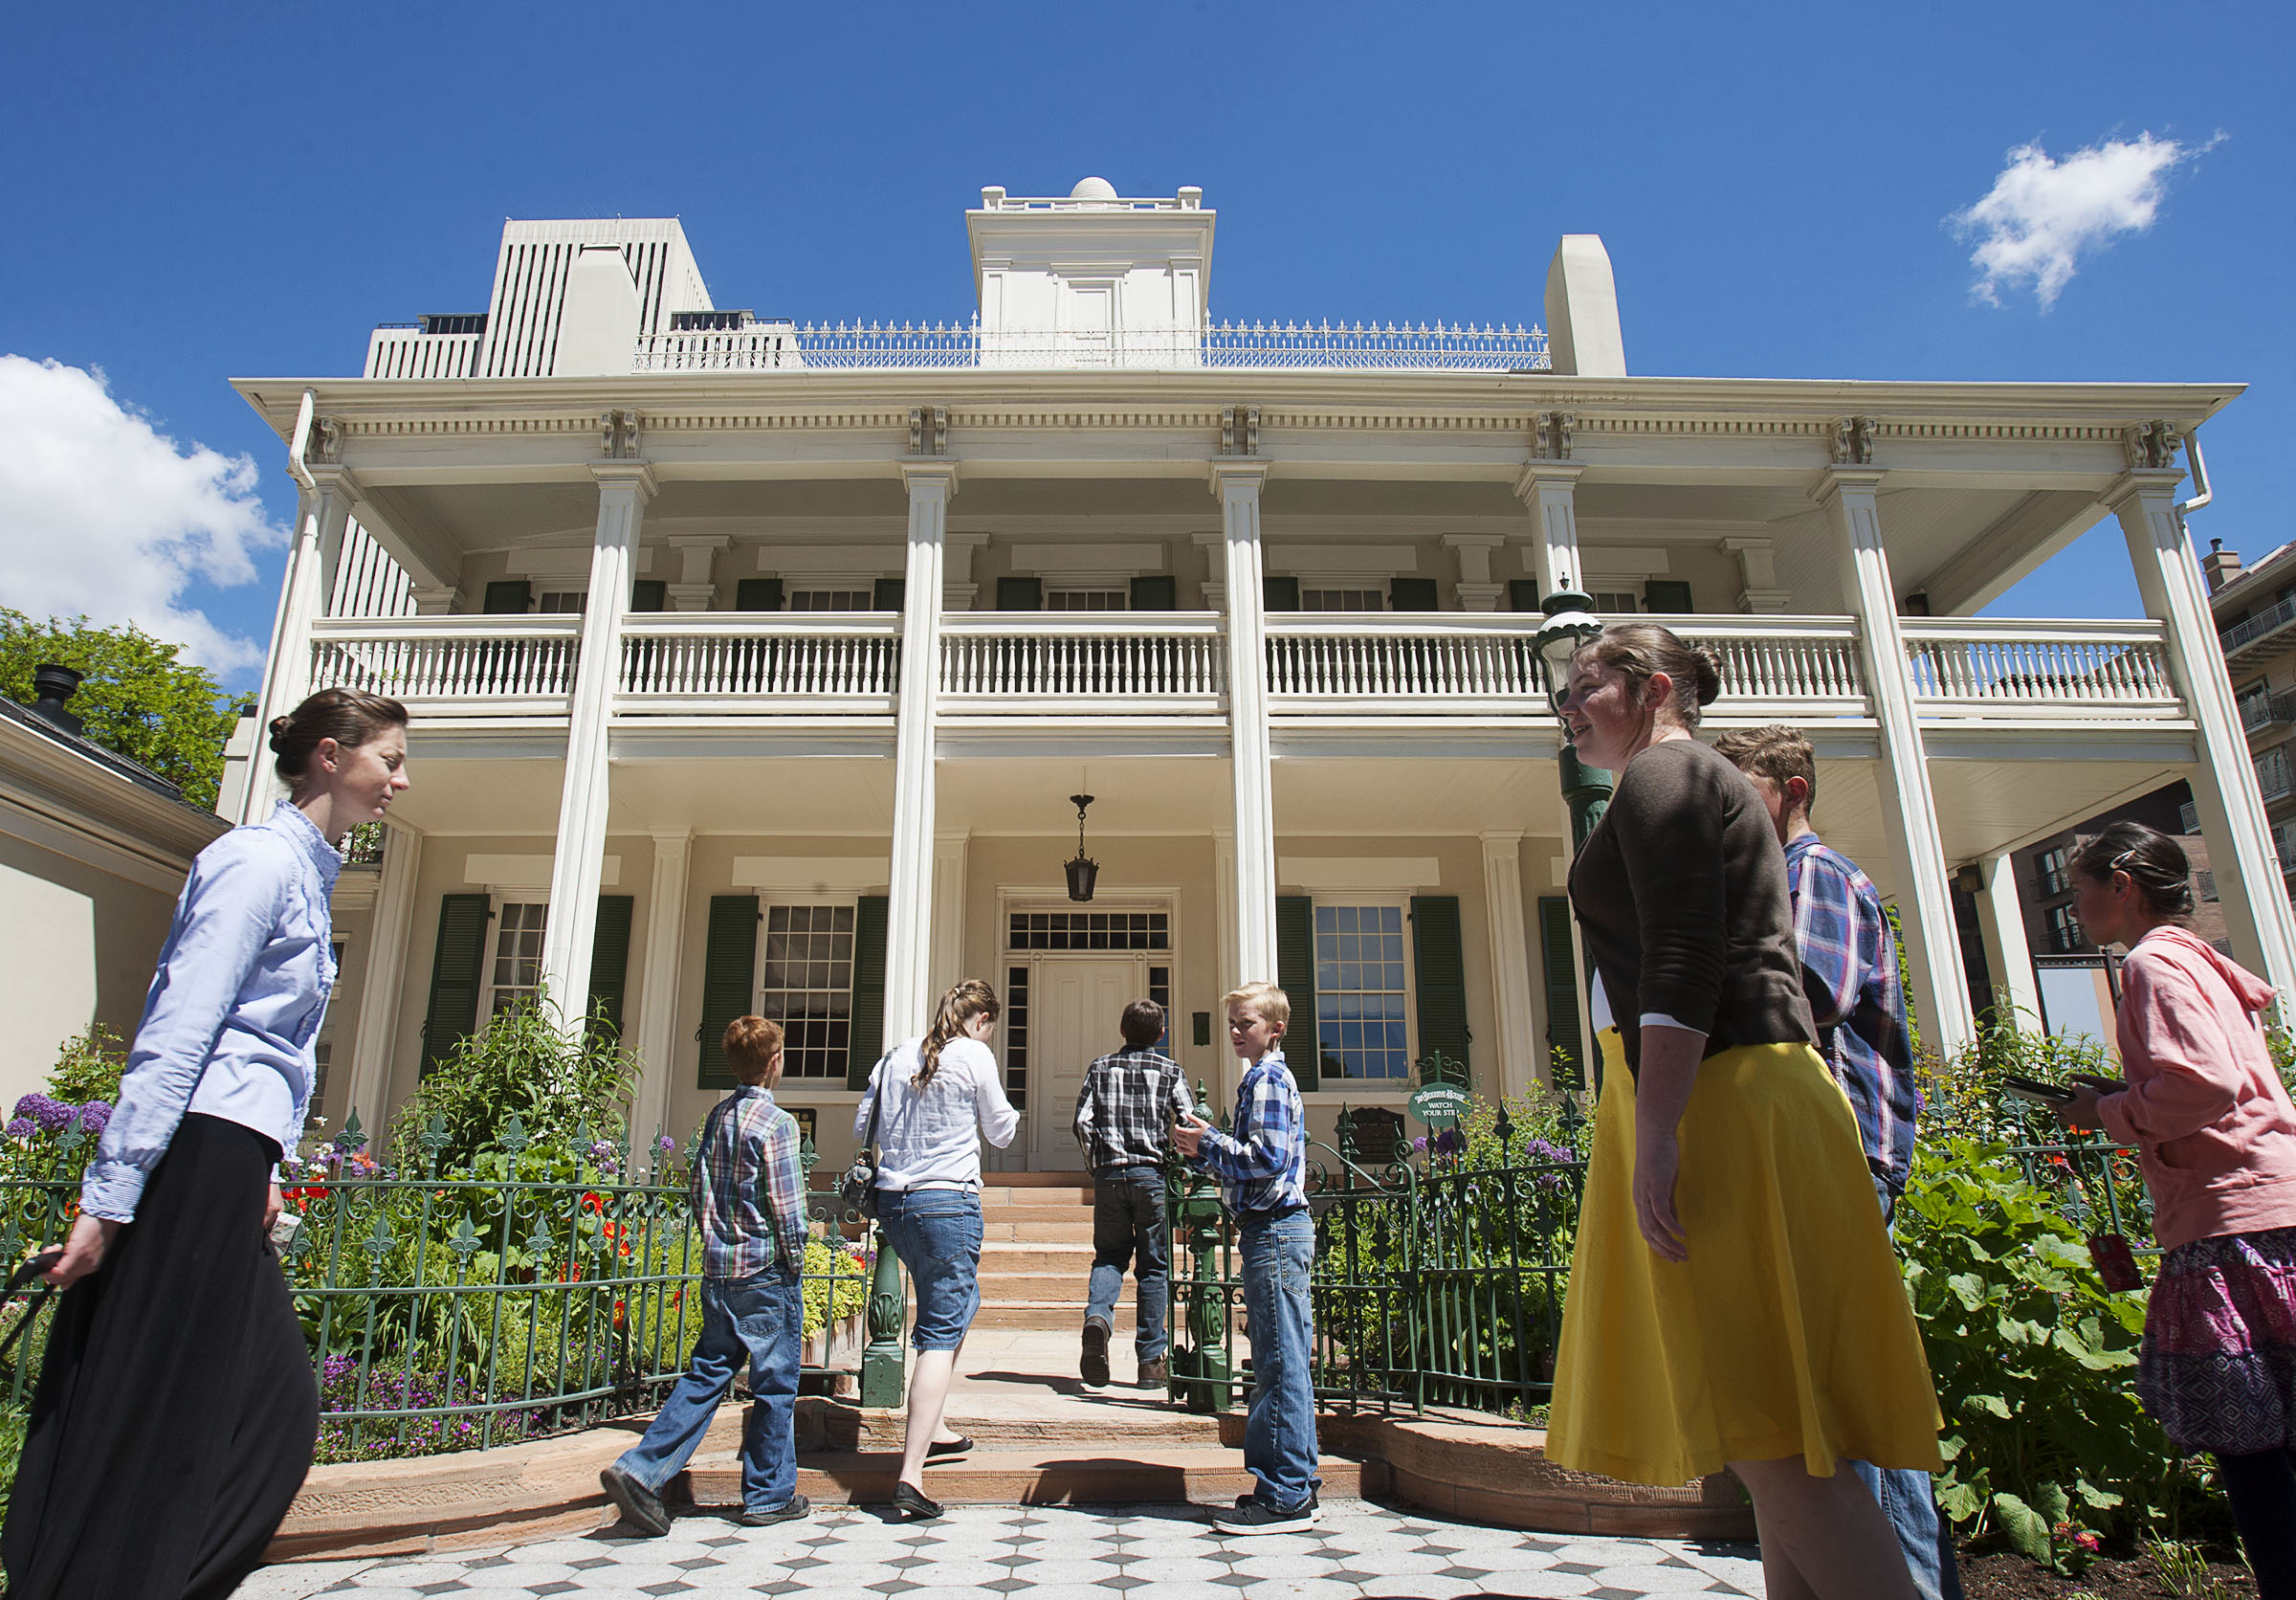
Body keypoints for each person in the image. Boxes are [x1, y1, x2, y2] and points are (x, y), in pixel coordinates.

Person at [1546, 623, 1942, 1600]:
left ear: (1654, 686)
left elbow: (1683, 957)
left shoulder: (1664, 775)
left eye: (1581, 684)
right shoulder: (1683, 780)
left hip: (1721, 1091)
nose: (1562, 708)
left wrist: (1660, 1130)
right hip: (1738, 1086)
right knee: (1771, 1434)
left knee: (1776, 1441)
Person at [2, 688, 409, 1600]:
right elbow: (182, 1028)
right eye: (390, 759)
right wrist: (109, 1200)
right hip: (196, 1151)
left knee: (255, 1406)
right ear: (333, 758)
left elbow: (272, 1052)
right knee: (163, 1397)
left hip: (234, 1155)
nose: (401, 780)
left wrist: (267, 1163)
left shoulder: (309, 873)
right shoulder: (254, 862)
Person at [1714, 723, 1963, 1600]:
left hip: (1845, 1155)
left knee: (1858, 1411)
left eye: (1739, 787)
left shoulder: (1811, 875)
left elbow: (1801, 999)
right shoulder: (1771, 880)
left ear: (1789, 788)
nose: (1725, 806)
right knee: (1821, 1408)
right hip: (1812, 1159)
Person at [2054, 822, 2296, 1598]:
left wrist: (2109, 1112)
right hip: (2276, 1210)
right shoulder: (2203, 960)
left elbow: (2203, 1083)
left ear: (2122, 885)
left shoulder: (2153, 964)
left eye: (2081, 885)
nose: (2075, 901)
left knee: (2252, 1451)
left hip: (2228, 1229)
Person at [601, 1015, 812, 1535]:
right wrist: (797, 1259)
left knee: (708, 1373)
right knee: (775, 1385)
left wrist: (717, 1241)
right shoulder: (778, 1124)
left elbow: (697, 1189)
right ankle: (767, 1494)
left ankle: (641, 1468)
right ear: (776, 1061)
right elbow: (788, 1209)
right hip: (765, 1271)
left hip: (719, 1272)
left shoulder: (717, 1117)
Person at [856, 978, 1019, 1521]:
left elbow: (865, 1124)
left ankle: (937, 1424)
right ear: (981, 1021)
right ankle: (910, 1476)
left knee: (953, 1310)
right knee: (940, 1330)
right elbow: (1000, 1132)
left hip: (895, 1204)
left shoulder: (895, 1057)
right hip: (947, 1201)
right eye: (989, 1026)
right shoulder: (974, 1054)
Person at [1172, 982, 1319, 1533]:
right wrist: (1209, 1144)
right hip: (1273, 1229)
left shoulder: (1267, 1078)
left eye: (1247, 1023)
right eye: (1233, 1022)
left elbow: (1267, 1159)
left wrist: (1206, 1143)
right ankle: (1296, 1484)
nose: (1236, 1031)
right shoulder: (1261, 1078)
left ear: (1275, 1029)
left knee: (1278, 1361)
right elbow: (1257, 1161)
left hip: (1276, 1230)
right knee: (1284, 1358)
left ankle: (1282, 1495)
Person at [1072, 997, 1195, 1389]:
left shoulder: (1101, 1067)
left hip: (1110, 1176)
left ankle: (1098, 1318)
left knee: (1109, 1256)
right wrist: (1181, 1157)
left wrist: (1097, 1163)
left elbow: (1082, 1121)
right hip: (1150, 1176)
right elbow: (1191, 1120)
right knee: (1153, 1267)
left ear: (1122, 1030)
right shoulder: (1170, 1070)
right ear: (1161, 1034)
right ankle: (1149, 1361)